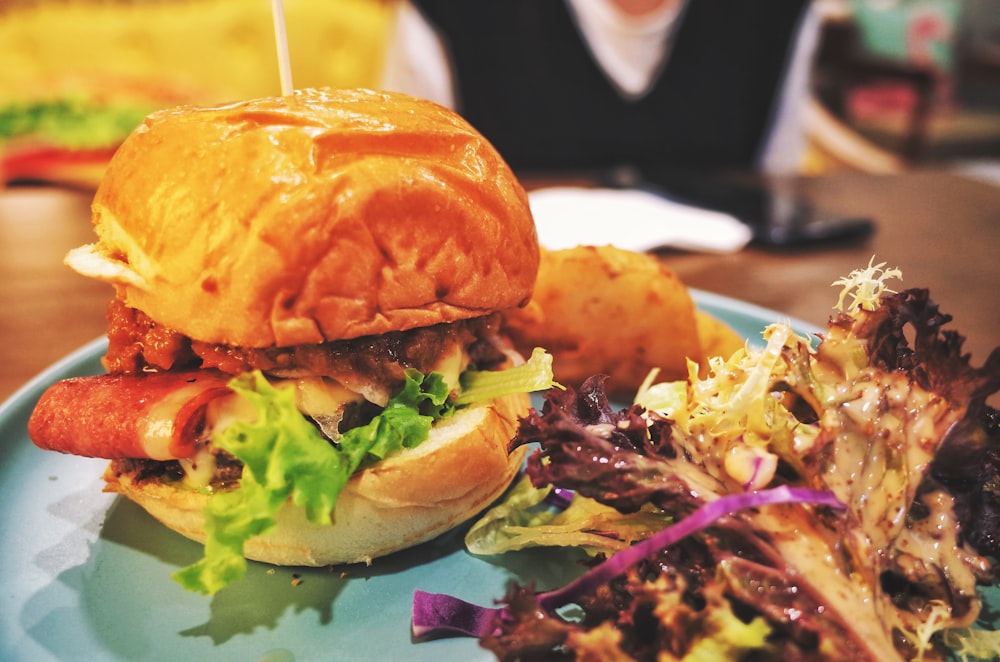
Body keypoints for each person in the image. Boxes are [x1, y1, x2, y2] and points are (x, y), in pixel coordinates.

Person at [381, 0, 821, 175]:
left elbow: (777, 180)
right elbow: (407, 185)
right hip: (505, 308)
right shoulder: (450, 12)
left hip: (742, 304)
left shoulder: (778, 12)